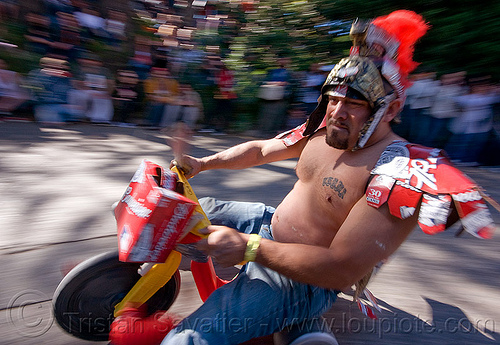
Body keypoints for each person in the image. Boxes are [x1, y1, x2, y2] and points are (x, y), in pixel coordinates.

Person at [110, 10, 495, 345]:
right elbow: (261, 150)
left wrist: (248, 248)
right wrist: (202, 163)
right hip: (266, 225)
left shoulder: (400, 171)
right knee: (177, 211)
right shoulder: (323, 129)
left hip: (306, 281)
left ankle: (295, 317)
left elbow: (342, 266)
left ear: (391, 107)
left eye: (355, 103)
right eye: (334, 98)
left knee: (185, 340)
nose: (338, 111)